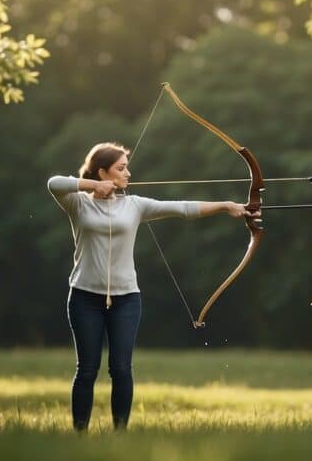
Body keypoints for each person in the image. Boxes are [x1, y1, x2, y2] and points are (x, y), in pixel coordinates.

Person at [47, 142, 257, 432]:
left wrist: (225, 206)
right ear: (102, 171)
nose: (128, 173)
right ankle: (79, 435)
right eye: (121, 168)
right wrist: (94, 186)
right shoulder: (77, 203)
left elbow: (182, 208)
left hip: (126, 299)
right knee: (87, 370)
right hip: (84, 297)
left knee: (121, 369)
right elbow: (53, 183)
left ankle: (120, 434)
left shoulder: (134, 206)